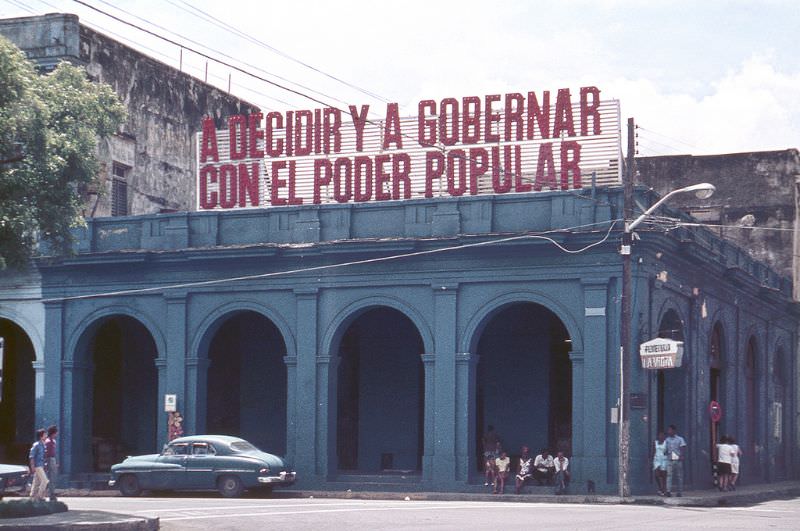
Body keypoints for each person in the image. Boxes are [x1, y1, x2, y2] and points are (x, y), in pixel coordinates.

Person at [665, 424, 687, 497]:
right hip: (669, 459)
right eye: (668, 430)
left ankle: (679, 491)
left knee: (679, 476)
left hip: (678, 459)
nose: (669, 431)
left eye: (670, 430)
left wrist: (682, 455)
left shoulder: (680, 439)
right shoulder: (667, 440)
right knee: (669, 475)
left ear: (674, 431)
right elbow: (665, 449)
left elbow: (683, 447)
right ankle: (668, 491)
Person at [28, 428, 49, 501]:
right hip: (37, 466)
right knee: (45, 481)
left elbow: (43, 457)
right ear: (41, 436)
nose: (46, 435)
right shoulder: (36, 445)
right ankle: (40, 496)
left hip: (41, 465)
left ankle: (32, 496)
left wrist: (45, 465)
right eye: (45, 434)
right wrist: (32, 466)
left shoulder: (43, 445)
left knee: (36, 482)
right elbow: (31, 456)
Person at [44, 425, 59, 502]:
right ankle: (51, 495)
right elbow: (47, 453)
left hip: (52, 459)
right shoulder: (48, 442)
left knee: (53, 477)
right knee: (51, 478)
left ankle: (52, 493)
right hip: (49, 459)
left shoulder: (53, 441)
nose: (57, 433)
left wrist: (55, 461)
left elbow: (54, 453)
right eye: (56, 432)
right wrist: (46, 463)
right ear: (53, 433)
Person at [652, 431, 668, 496]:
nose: (661, 436)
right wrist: (651, 459)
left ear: (664, 437)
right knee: (656, 474)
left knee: (664, 475)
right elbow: (653, 451)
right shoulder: (655, 442)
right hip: (656, 459)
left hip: (664, 459)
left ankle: (663, 489)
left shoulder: (666, 443)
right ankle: (660, 487)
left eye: (662, 435)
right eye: (660, 435)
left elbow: (668, 450)